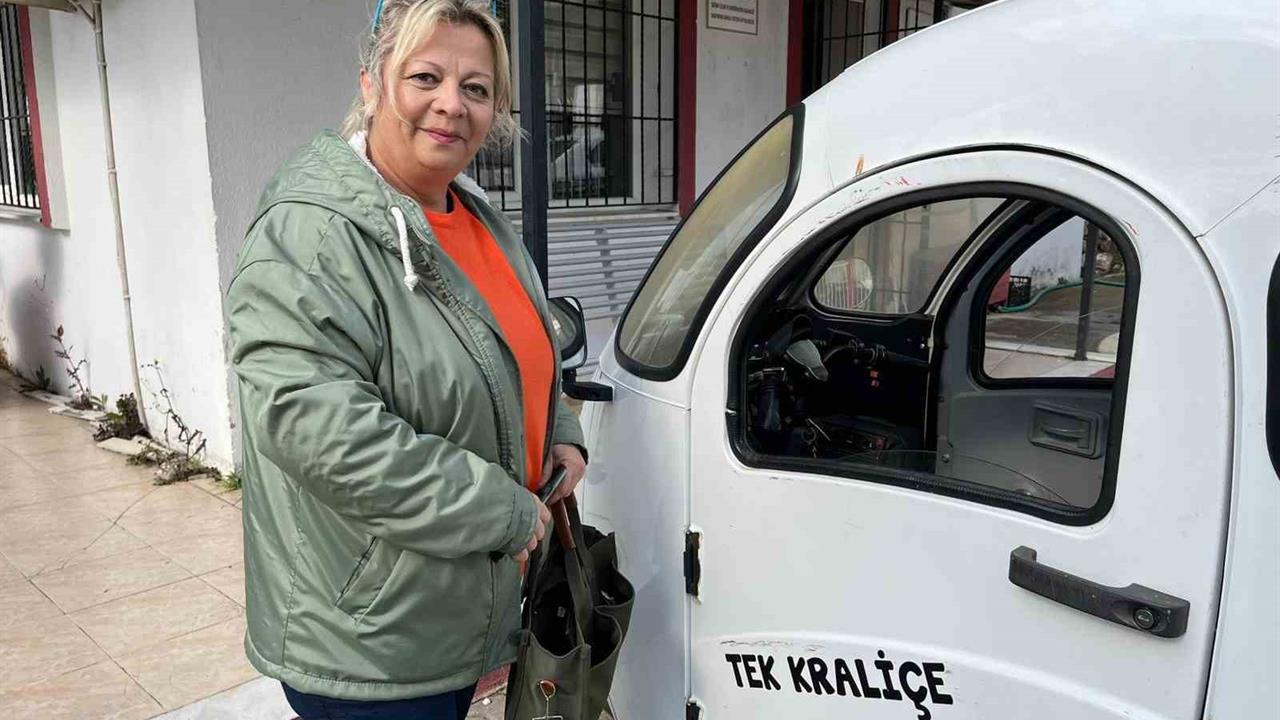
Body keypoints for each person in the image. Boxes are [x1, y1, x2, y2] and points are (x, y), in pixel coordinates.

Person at [224, 1, 588, 717]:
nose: (452, 104)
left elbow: (512, 354)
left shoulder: (471, 215)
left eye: (476, 88)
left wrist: (561, 431)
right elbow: (317, 430)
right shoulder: (312, 233)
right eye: (426, 77)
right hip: (372, 643)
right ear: (372, 83)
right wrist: (501, 512)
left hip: (453, 616)